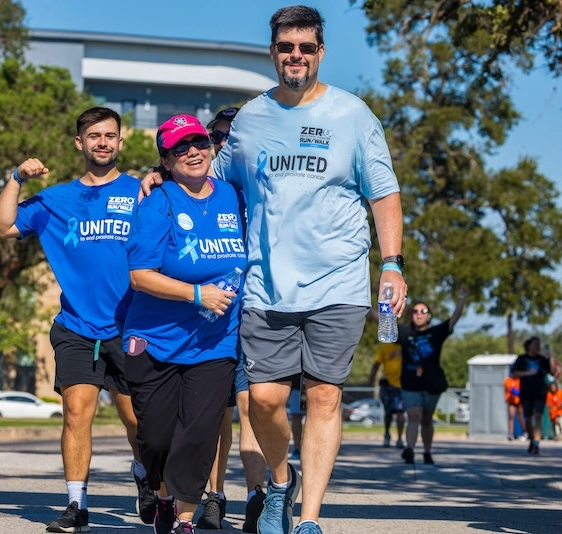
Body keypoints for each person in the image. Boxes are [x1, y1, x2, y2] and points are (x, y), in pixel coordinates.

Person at [139, 7, 407, 534]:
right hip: (265, 283)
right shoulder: (252, 119)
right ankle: (282, 480)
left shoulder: (354, 115)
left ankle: (308, 519)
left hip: (340, 281)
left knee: (325, 395)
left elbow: (385, 195)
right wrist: (161, 177)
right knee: (263, 400)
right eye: (287, 47)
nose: (296, 57)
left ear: (320, 52)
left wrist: (393, 265)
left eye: (306, 48)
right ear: (273, 52)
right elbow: (212, 178)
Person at [0, 107, 150, 532]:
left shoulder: (141, 193)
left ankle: (145, 475)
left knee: (136, 421)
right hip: (77, 327)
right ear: (79, 143)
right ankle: (77, 505)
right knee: (76, 415)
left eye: (110, 136)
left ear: (120, 142)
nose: (102, 142)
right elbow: (3, 226)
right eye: (94, 135)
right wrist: (17, 177)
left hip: (131, 326)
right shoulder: (55, 199)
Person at [123, 114, 246, 534]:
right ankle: (159, 494)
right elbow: (140, 276)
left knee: (200, 432)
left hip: (215, 340)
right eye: (180, 147)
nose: (192, 151)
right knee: (155, 438)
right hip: (155, 340)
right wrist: (198, 294)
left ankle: (185, 519)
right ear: (166, 159)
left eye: (198, 142)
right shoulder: (159, 202)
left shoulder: (233, 195)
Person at [194, 107, 268, 534]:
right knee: (215, 415)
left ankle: (257, 498)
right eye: (216, 137)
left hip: (254, 310)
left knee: (252, 406)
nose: (223, 144)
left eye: (231, 137)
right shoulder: (195, 188)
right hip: (206, 317)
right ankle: (214, 496)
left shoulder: (259, 186)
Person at [399, 287, 469, 465]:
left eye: (423, 311)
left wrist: (461, 299)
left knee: (427, 419)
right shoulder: (405, 333)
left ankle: (427, 452)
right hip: (410, 383)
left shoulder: (436, 332)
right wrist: (367, 303)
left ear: (428, 315)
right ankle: (410, 449)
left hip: (431, 384)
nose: (419, 314)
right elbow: (381, 319)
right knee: (414, 416)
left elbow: (453, 320)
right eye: (415, 311)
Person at [510, 337, 554, 455]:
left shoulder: (542, 360)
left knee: (538, 416)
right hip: (526, 393)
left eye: (538, 345)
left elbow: (553, 372)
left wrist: (551, 358)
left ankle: (537, 444)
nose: (537, 347)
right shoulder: (522, 359)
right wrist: (527, 373)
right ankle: (532, 438)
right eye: (535, 345)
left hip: (540, 392)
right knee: (528, 419)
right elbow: (514, 374)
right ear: (529, 346)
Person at [369, 342, 405, 448]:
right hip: (388, 384)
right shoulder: (385, 348)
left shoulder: (405, 346)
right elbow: (377, 364)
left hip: (402, 385)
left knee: (400, 412)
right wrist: (372, 377)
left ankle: (399, 438)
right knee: (388, 413)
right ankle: (387, 434)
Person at [503, 373, 524, 440]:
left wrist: (519, 393)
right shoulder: (507, 381)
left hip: (519, 401)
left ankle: (525, 432)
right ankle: (510, 433)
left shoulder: (520, 380)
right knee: (511, 416)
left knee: (520, 417)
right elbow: (508, 390)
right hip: (511, 401)